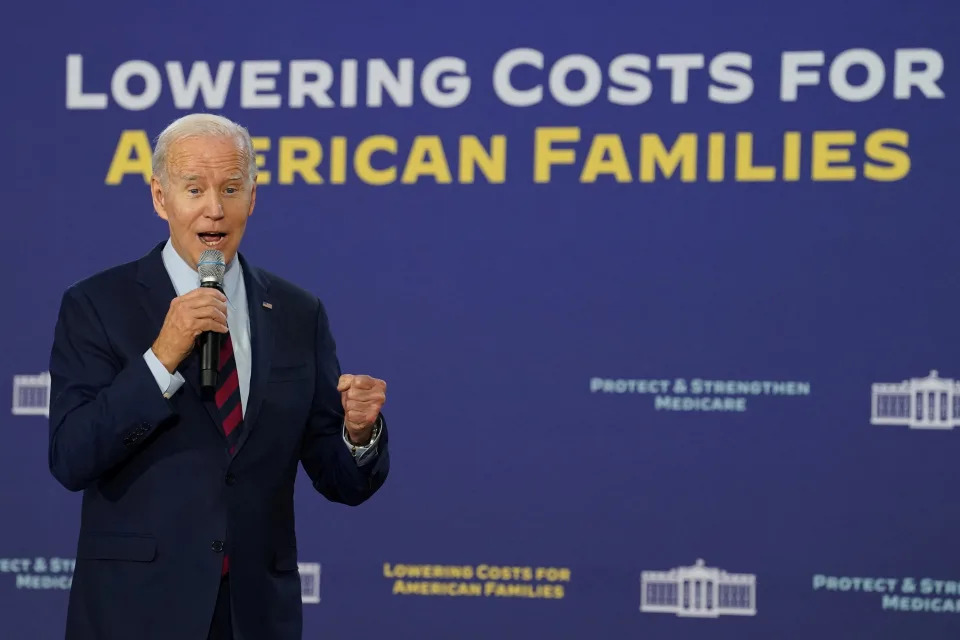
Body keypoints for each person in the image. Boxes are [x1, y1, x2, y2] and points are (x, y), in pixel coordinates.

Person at [47, 113, 389, 639]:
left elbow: (337, 475)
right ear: (161, 198)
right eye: (195, 188)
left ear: (253, 197)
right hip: (134, 613)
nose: (214, 208)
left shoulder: (299, 312)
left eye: (231, 188)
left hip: (254, 615)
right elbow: (72, 456)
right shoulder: (96, 304)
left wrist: (359, 435)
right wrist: (160, 358)